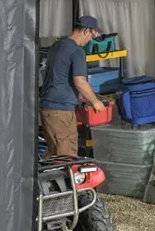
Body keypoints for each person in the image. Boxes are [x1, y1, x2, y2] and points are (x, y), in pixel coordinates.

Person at [40, 15, 107, 157]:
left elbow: (60, 76)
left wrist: (81, 97)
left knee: (54, 153)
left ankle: (39, 178)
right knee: (66, 157)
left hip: (49, 107)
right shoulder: (77, 51)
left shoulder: (57, 45)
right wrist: (96, 102)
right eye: (92, 35)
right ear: (86, 31)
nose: (91, 39)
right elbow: (80, 81)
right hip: (60, 110)